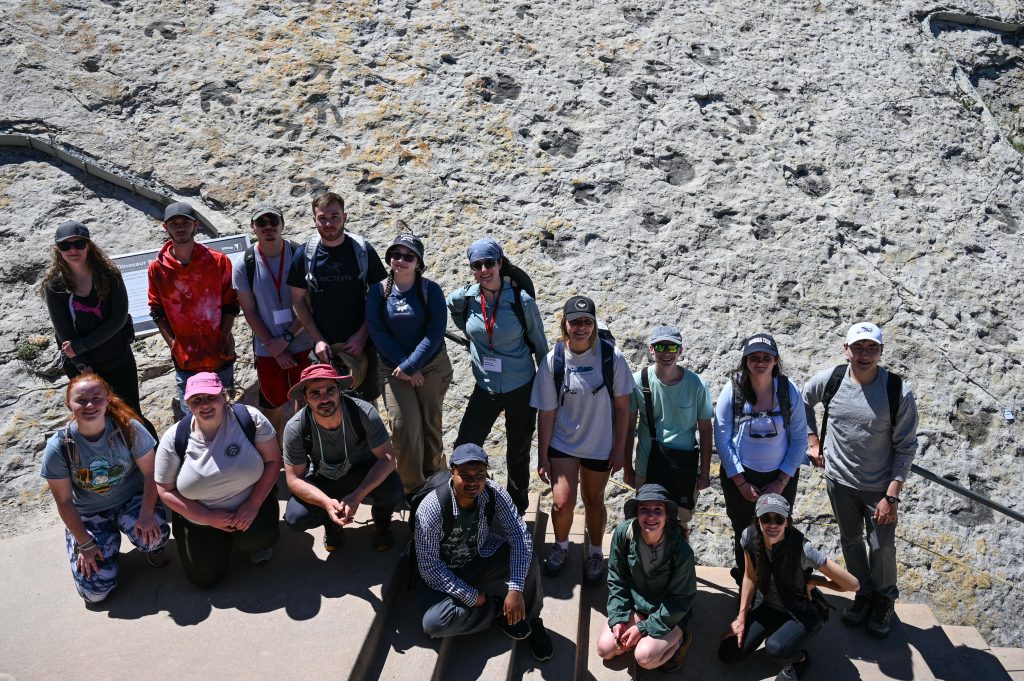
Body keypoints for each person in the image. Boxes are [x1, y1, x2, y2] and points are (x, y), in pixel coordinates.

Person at [801, 322, 918, 638]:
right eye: (858, 348)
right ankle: (864, 593)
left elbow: (906, 445)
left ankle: (884, 600)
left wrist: (891, 494)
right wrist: (813, 441)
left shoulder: (896, 391)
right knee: (850, 540)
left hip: (879, 488)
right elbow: (803, 401)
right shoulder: (832, 380)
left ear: (881, 351)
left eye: (871, 348)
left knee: (882, 547)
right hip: (839, 480)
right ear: (846, 349)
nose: (864, 355)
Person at [414, 443, 553, 661]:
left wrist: (516, 589)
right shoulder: (432, 508)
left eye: (479, 475)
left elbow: (520, 537)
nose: (473, 482)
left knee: (528, 556)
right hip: (444, 571)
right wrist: (473, 597)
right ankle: (498, 610)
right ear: (452, 472)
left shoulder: (493, 492)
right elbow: (430, 568)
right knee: (433, 624)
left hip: (480, 556)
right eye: (465, 475)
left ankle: (532, 618)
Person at [531, 295, 634, 585]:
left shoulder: (610, 357)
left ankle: (595, 552)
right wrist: (542, 457)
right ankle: (561, 547)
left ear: (594, 324)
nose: (581, 327)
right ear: (565, 324)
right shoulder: (554, 360)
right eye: (575, 322)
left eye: (587, 321)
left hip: (599, 443)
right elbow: (547, 413)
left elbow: (623, 408)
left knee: (593, 500)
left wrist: (620, 451)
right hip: (563, 443)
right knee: (562, 502)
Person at [41, 374, 170, 604]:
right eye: (81, 400)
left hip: (131, 500)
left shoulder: (128, 428)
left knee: (154, 536)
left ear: (108, 399)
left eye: (96, 398)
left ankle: (145, 548)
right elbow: (64, 501)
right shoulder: (59, 447)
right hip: (90, 514)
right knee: (95, 593)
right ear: (68, 404)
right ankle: (104, 547)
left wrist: (147, 513)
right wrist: (85, 543)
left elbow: (151, 474)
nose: (89, 405)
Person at [447, 238, 548, 515]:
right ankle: (473, 497)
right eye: (476, 265)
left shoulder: (520, 301)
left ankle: (516, 507)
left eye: (489, 263)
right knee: (465, 445)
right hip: (486, 386)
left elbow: (540, 345)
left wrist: (547, 385)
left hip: (521, 386)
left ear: (500, 263)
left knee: (518, 450)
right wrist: (473, 338)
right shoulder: (467, 298)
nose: (483, 269)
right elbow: (453, 308)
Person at [154, 372, 281, 587]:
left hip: (249, 508)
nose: (205, 405)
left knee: (259, 538)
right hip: (200, 518)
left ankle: (253, 538)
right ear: (188, 404)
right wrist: (206, 516)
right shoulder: (175, 438)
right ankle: (216, 540)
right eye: (197, 400)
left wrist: (253, 505)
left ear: (224, 396)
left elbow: (273, 461)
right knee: (203, 579)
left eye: (211, 397)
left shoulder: (248, 419)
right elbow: (164, 490)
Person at [719, 494, 859, 681]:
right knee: (728, 652)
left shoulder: (803, 549)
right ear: (758, 520)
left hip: (798, 610)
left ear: (788, 522)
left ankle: (799, 660)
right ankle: (777, 631)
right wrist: (741, 618)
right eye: (766, 518)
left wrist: (814, 581)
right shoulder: (749, 537)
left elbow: (853, 585)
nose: (772, 524)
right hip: (768, 605)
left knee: (775, 649)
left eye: (779, 519)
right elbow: (749, 577)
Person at [41, 220, 155, 437]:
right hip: (82, 368)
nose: (73, 250)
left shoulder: (109, 274)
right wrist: (85, 368)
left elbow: (118, 319)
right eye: (66, 246)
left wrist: (81, 345)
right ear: (58, 250)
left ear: (89, 246)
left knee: (131, 415)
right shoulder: (55, 286)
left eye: (79, 244)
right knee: (96, 420)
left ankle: (153, 462)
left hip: (118, 359)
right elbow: (65, 333)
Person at [715, 333, 808, 585]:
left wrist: (782, 480)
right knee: (744, 530)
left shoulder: (788, 391)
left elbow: (800, 437)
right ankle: (747, 582)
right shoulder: (732, 390)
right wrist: (740, 482)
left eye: (766, 357)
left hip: (780, 474)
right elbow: (722, 438)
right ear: (745, 361)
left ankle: (776, 586)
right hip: (741, 474)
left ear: (776, 361)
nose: (760, 362)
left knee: (777, 528)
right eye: (754, 357)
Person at [365, 234, 453, 496]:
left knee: (430, 425)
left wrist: (413, 365)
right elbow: (377, 332)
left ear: (418, 263)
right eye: (396, 254)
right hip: (394, 368)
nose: (400, 260)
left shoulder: (430, 290)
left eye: (408, 256)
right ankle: (413, 489)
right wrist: (405, 367)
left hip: (431, 365)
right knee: (404, 427)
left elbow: (435, 332)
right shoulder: (378, 292)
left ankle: (435, 479)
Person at [282, 363, 403, 552]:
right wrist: (325, 503)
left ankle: (382, 519)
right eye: (315, 393)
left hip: (361, 473)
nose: (325, 398)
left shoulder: (363, 413)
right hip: (323, 479)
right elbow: (293, 479)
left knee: (393, 488)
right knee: (296, 517)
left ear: (340, 391)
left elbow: (387, 458)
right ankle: (331, 522)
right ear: (305, 398)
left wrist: (357, 496)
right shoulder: (296, 428)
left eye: (330, 390)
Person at [287, 191, 387, 402]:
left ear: (345, 217)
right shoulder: (305, 254)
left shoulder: (362, 250)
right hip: (324, 350)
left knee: (366, 408)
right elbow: (297, 300)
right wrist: (318, 340)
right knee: (323, 407)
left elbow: (381, 294)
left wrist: (362, 335)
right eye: (322, 218)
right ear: (314, 220)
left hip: (362, 347)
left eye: (334, 217)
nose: (328, 223)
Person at [147, 202, 238, 418]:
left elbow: (231, 304)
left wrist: (223, 338)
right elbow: (157, 310)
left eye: (185, 222)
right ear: (165, 227)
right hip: (185, 359)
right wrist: (173, 344)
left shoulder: (218, 261)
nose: (180, 227)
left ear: (195, 225)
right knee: (193, 419)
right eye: (174, 223)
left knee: (225, 415)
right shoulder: (157, 268)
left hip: (219, 355)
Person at [232, 204, 313, 441]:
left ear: (282, 225)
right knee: (271, 405)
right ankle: (277, 459)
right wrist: (273, 346)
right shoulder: (244, 263)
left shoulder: (300, 255)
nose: (268, 227)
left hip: (303, 342)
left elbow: (310, 303)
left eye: (273, 221)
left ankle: (306, 451)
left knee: (308, 400)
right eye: (261, 223)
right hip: (268, 350)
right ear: (253, 228)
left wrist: (286, 338)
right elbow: (249, 311)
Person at [597, 484, 696, 673]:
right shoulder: (623, 534)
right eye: (644, 510)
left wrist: (643, 628)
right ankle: (644, 631)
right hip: (636, 605)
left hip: (669, 612)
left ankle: (681, 638)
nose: (651, 516)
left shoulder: (680, 551)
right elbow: (616, 579)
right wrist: (618, 618)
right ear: (636, 513)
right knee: (605, 650)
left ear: (667, 516)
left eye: (657, 510)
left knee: (645, 658)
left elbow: (681, 598)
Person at [625, 326, 713, 534]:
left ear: (680, 351)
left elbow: (706, 430)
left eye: (672, 347)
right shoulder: (639, 381)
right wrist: (628, 468)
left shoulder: (697, 385)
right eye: (661, 346)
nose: (667, 352)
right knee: (648, 523)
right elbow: (629, 428)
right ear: (651, 349)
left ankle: (678, 566)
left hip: (683, 468)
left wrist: (705, 473)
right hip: (647, 466)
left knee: (680, 525)